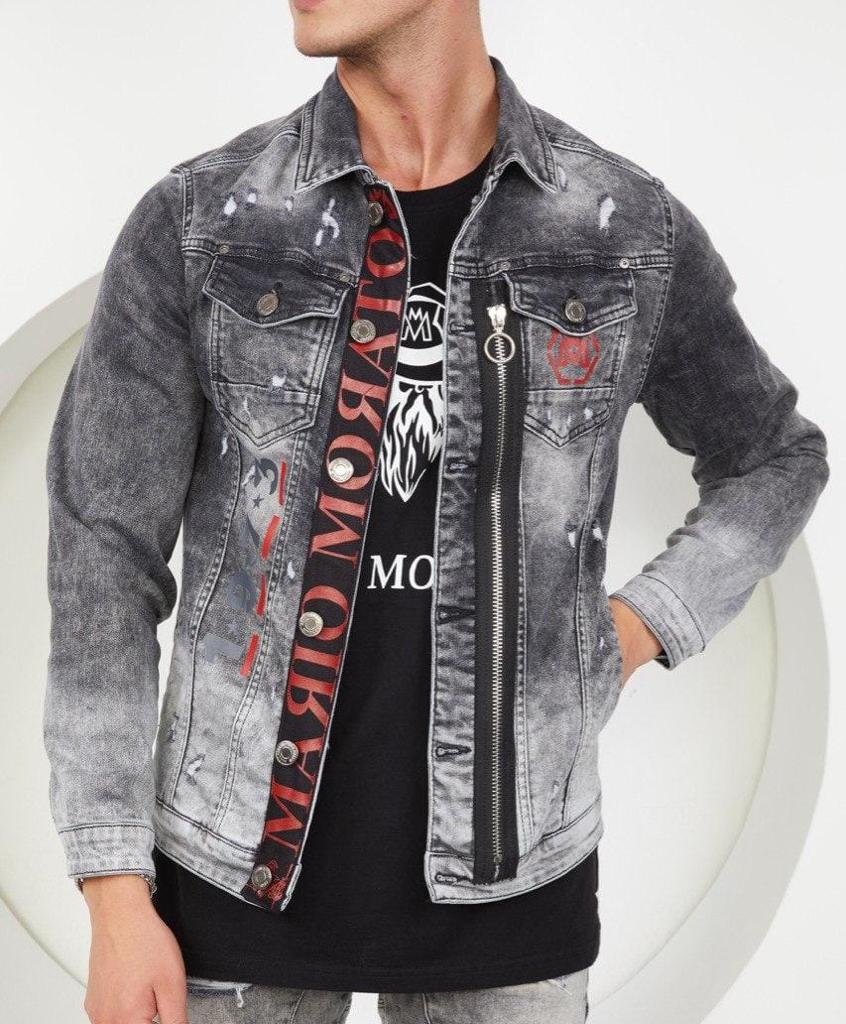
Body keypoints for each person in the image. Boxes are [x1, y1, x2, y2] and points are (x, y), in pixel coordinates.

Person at [43, 1, 829, 1022]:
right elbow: (103, 555)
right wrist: (113, 891)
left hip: (517, 889)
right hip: (230, 882)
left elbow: (772, 456)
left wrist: (635, 629)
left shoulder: (622, 231)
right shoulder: (204, 224)